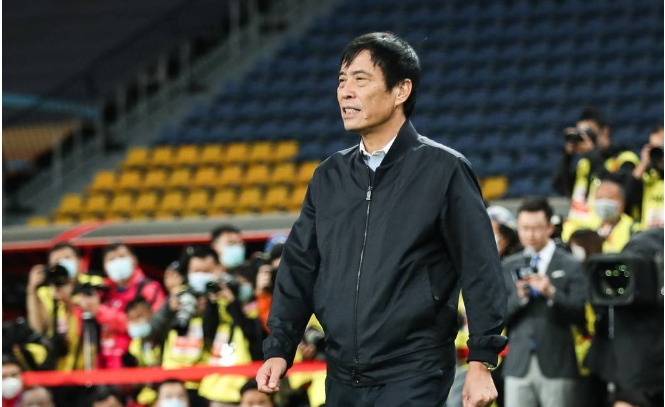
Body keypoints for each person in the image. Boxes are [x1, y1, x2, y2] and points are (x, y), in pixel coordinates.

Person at [257, 32, 507, 407]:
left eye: (360, 79)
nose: (345, 92)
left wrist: (482, 359)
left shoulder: (444, 170)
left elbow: (480, 268)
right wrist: (280, 346)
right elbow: (299, 266)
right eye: (342, 80)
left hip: (414, 372)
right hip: (341, 374)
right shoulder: (329, 176)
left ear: (401, 90)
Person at [501, 197, 587, 407]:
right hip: (518, 364)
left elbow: (579, 313)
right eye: (524, 228)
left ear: (550, 227)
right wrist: (520, 297)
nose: (530, 234)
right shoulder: (508, 265)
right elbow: (499, 315)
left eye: (536, 228)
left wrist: (552, 293)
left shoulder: (571, 264)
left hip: (558, 364)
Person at [553, 108, 639, 233]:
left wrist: (592, 154)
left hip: (606, 234)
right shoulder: (584, 162)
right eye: (581, 133)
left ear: (605, 131)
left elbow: (623, 192)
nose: (585, 137)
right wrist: (567, 156)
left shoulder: (624, 158)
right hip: (575, 233)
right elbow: (560, 186)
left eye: (589, 132)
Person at [25, 242, 103, 371]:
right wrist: (32, 290)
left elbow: (98, 319)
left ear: (79, 262)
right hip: (58, 366)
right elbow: (39, 327)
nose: (63, 263)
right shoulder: (46, 293)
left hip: (89, 365)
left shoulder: (93, 285)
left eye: (67, 257)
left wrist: (67, 301)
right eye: (57, 260)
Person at [93, 242, 166, 369]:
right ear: (105, 267)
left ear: (134, 261)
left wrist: (99, 311)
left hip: (138, 365)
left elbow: (154, 325)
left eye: (122, 256)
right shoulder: (102, 293)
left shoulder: (149, 289)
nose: (117, 262)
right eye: (111, 259)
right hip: (105, 367)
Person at [625, 124, 664, 229]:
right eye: (654, 148)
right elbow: (627, 197)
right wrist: (643, 163)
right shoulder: (646, 177)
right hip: (647, 234)